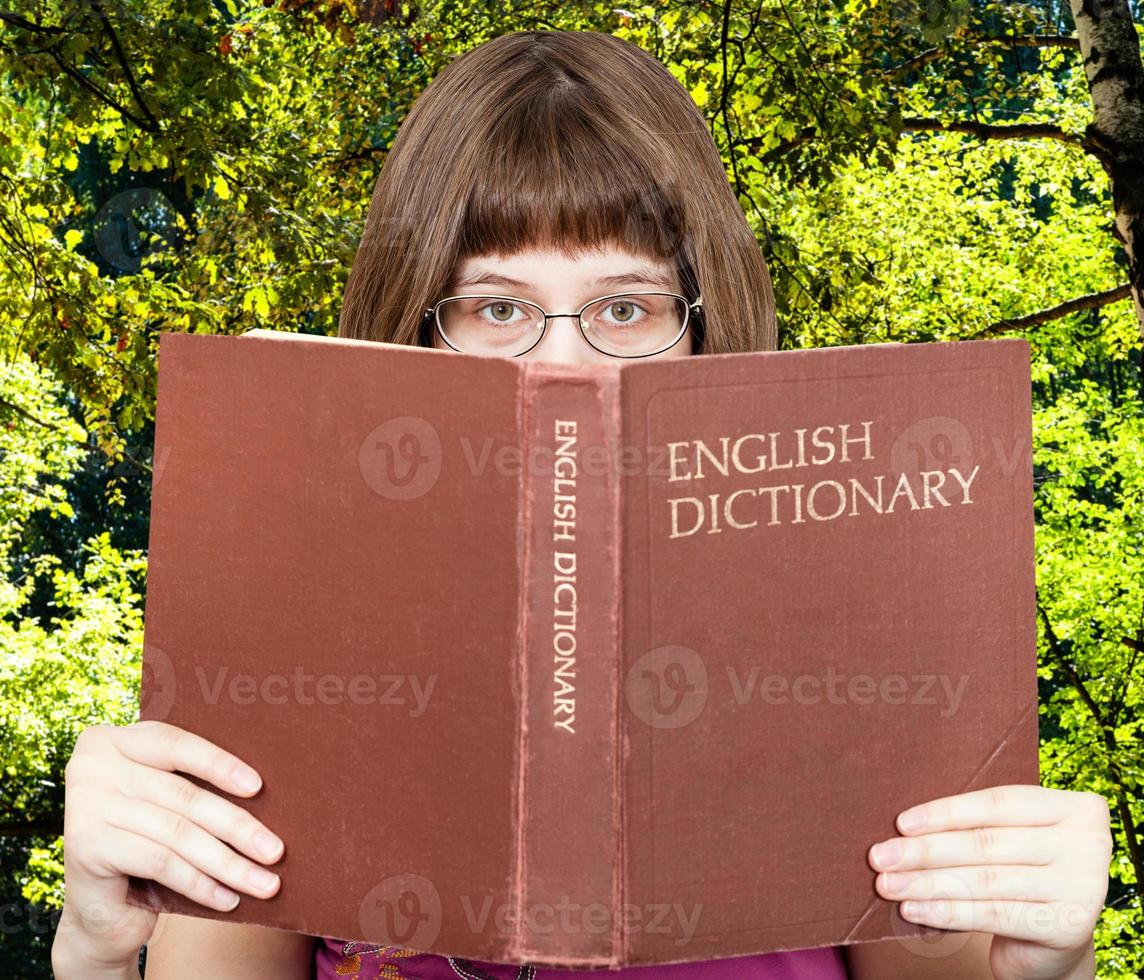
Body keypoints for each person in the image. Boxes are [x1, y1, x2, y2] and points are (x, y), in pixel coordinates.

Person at [52, 29, 1112, 980]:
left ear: (702, 323)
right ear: (415, 326)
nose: (562, 363)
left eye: (625, 305)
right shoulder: (291, 616)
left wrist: (1044, 966)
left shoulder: (856, 617)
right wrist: (96, 953)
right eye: (497, 306)